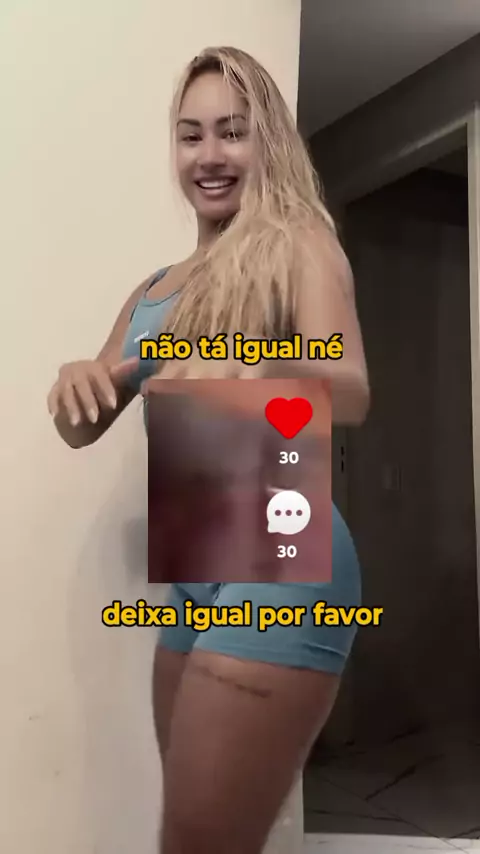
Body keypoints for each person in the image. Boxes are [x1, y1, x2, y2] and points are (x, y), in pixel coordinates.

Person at [47, 46, 369, 854]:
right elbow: (85, 423)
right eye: (191, 135)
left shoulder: (298, 245)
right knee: (188, 837)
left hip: (282, 558)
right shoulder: (155, 289)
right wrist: (75, 380)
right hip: (196, 568)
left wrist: (248, 366)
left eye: (233, 131)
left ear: (268, 140)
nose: (210, 155)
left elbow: (351, 389)